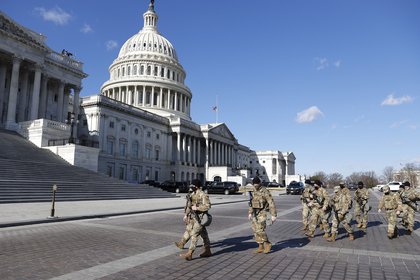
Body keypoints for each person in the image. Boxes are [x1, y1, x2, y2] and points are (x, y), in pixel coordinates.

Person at [174, 179, 211, 261]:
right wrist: (186, 215)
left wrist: (197, 208)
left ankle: (190, 253)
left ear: (197, 186)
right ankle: (207, 250)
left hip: (200, 218)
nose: (191, 187)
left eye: (193, 185)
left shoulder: (203, 195)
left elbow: (208, 206)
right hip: (192, 217)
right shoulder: (192, 194)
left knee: (194, 234)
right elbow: (189, 206)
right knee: (193, 231)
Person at [248, 176, 277, 253]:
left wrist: (273, 215)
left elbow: (271, 203)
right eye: (254, 185)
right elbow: (251, 202)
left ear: (259, 184)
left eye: (257, 185)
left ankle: (267, 243)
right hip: (255, 212)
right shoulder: (253, 190)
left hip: (263, 212)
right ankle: (260, 246)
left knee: (260, 229)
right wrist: (250, 213)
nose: (255, 186)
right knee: (255, 229)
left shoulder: (265, 191)